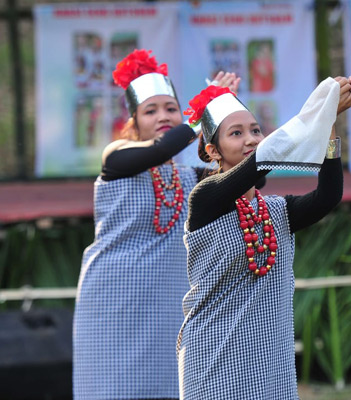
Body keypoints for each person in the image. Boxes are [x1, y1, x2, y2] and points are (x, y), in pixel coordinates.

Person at [177, 75, 351, 399]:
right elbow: (261, 162)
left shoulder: (277, 210)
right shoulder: (205, 198)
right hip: (214, 356)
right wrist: (315, 112)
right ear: (212, 150)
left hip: (269, 360)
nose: (251, 139)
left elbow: (328, 196)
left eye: (255, 130)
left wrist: (328, 122)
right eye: (236, 133)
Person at [73, 49, 239, 400]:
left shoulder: (192, 176)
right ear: (133, 122)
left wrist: (227, 122)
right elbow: (161, 149)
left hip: (169, 301)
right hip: (113, 301)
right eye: (151, 110)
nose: (163, 116)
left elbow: (246, 179)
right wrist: (200, 113)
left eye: (171, 109)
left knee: (171, 386)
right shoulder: (116, 158)